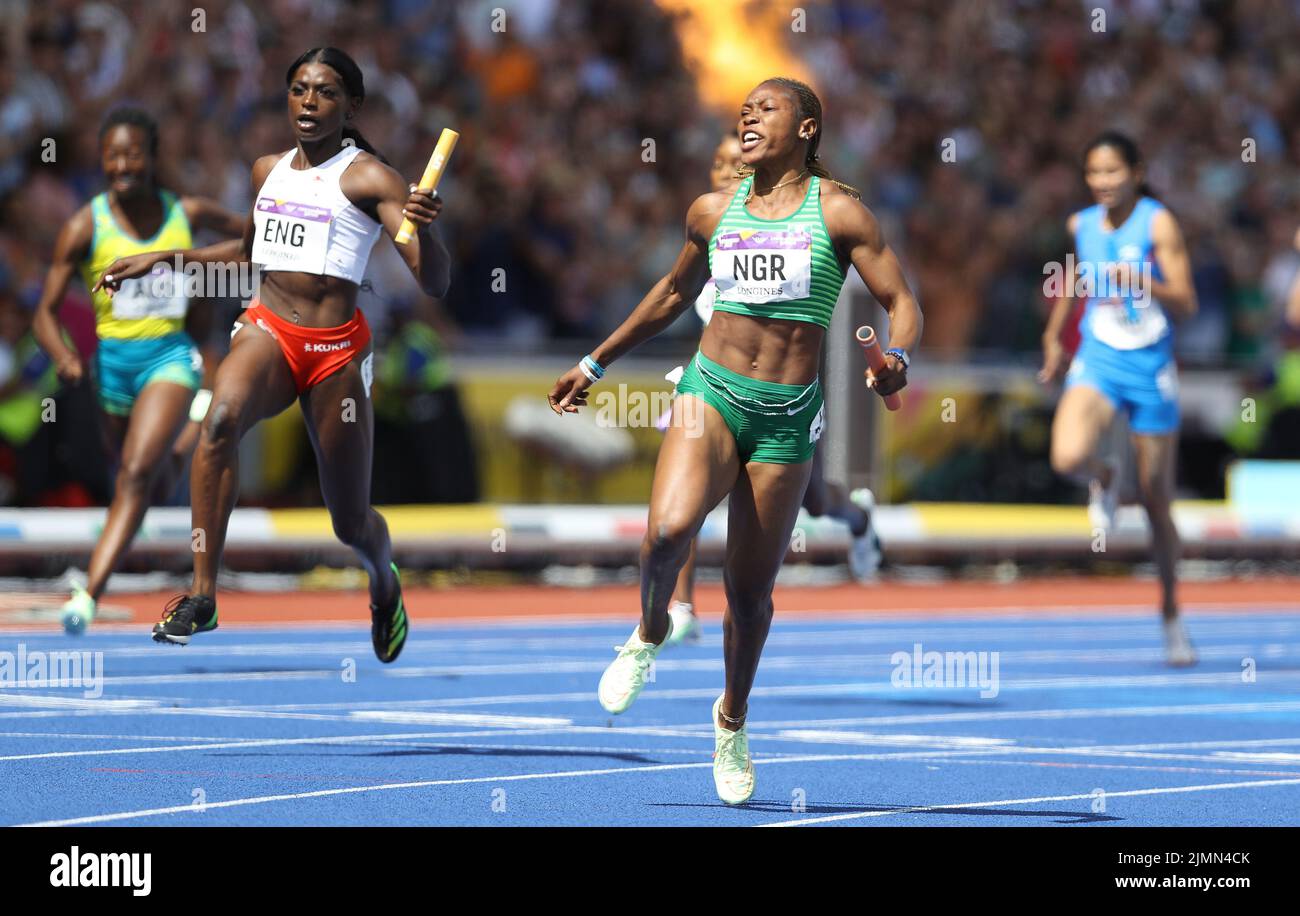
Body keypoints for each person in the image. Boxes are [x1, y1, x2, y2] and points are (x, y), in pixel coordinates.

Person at [549, 77, 922, 804]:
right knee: (666, 532)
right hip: (710, 391)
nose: (747, 116)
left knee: (749, 597)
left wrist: (899, 356)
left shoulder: (840, 213)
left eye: (766, 109)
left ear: (808, 128)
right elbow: (669, 293)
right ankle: (649, 632)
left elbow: (901, 301)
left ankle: (731, 720)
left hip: (786, 415)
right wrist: (596, 362)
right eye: (742, 110)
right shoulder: (712, 211)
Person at [95, 48, 450, 658]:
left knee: (349, 521)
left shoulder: (372, 178)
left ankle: (383, 580)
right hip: (267, 330)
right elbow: (248, 253)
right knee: (220, 420)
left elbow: (434, 282)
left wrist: (428, 226)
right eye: (299, 90)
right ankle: (203, 596)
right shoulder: (267, 170)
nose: (309, 103)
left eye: (326, 92)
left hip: (336, 352)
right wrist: (164, 259)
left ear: (350, 106)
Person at [31, 107, 244, 634]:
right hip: (112, 372)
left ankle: (88, 594)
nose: (123, 165)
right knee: (147, 474)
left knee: (132, 476)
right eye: (112, 156)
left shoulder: (186, 211)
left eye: (134, 154)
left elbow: (257, 234)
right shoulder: (86, 226)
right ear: (102, 160)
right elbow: (44, 312)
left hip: (169, 358)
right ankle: (187, 434)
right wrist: (63, 356)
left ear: (152, 158)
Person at [662, 133, 880, 648]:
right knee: (685, 498)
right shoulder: (715, 223)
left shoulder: (792, 229)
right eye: (716, 162)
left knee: (817, 504)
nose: (723, 171)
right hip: (712, 387)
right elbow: (677, 297)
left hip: (785, 400)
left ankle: (858, 517)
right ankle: (681, 606)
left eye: (734, 163)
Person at [1039, 131, 1198, 666]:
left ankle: (1172, 615)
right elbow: (1075, 281)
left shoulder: (1158, 222)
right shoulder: (1079, 225)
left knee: (1157, 500)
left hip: (1150, 364)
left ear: (1136, 171)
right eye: (1094, 173)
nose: (1104, 182)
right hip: (1099, 357)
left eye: (1113, 172)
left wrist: (1144, 279)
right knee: (1066, 455)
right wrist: (1055, 336)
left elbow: (1189, 302)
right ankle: (1105, 473)